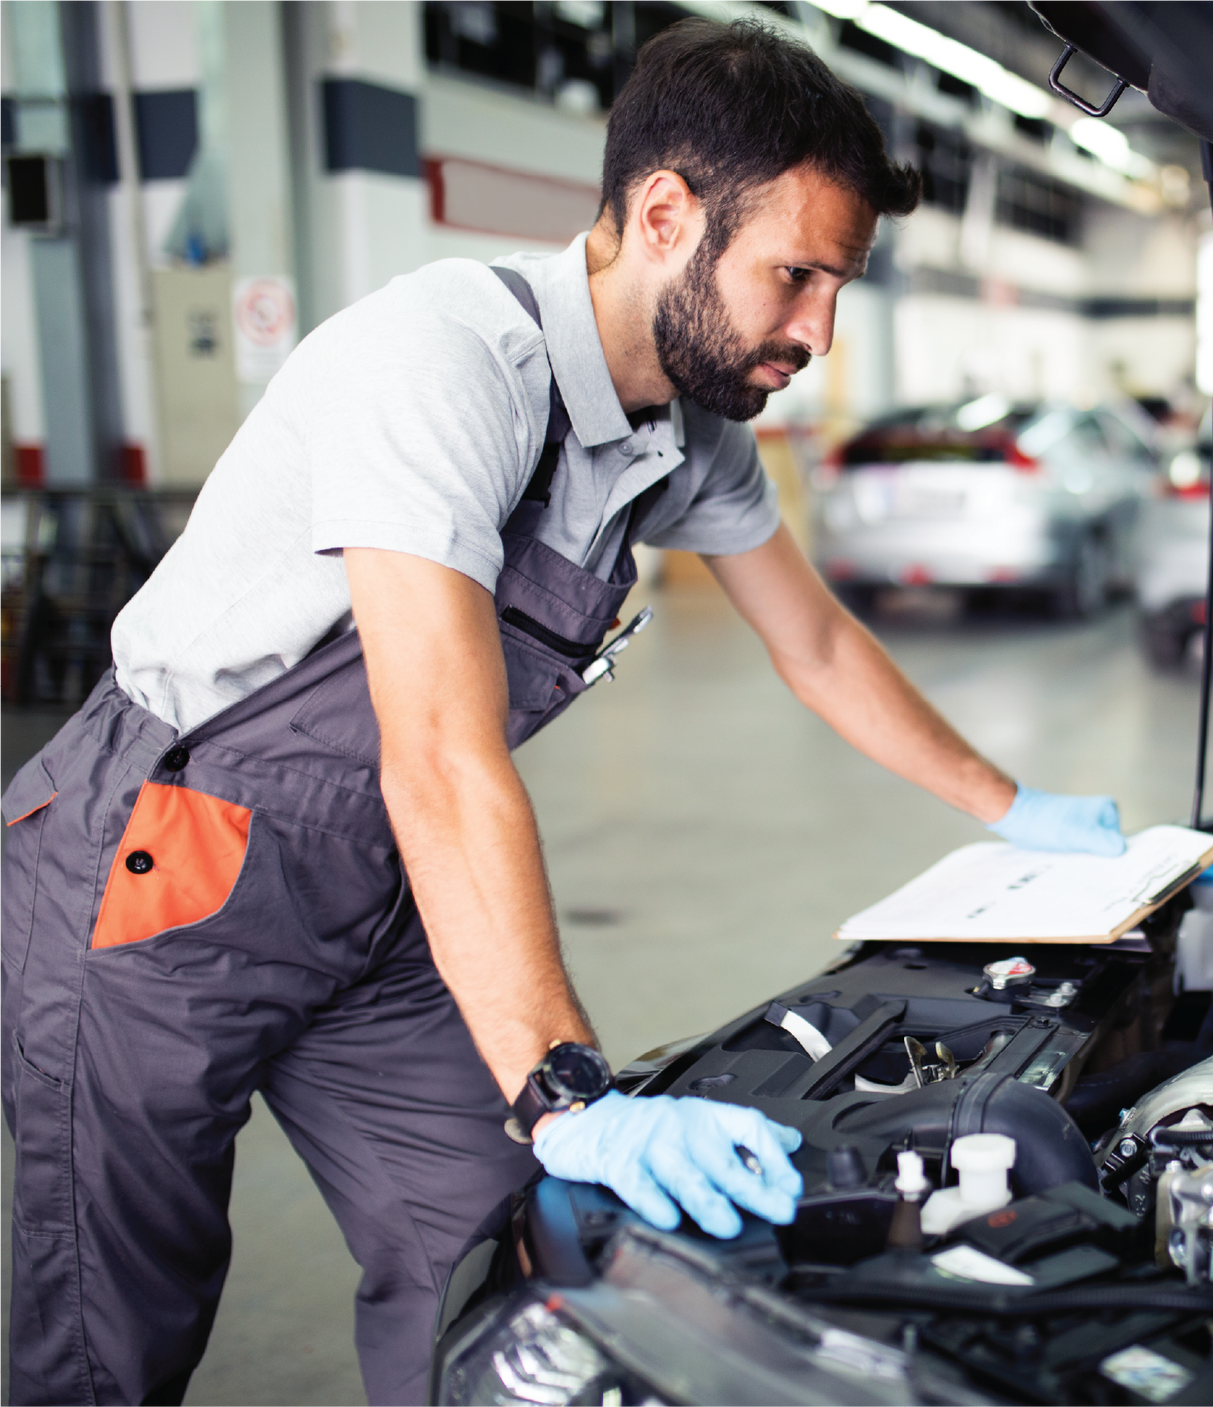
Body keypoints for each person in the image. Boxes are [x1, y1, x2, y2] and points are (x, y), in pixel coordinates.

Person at [0, 19, 1124, 1407]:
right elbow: (438, 753)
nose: (819, 332)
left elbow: (819, 643)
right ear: (666, 214)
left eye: (838, 285)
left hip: (374, 888)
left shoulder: (687, 433)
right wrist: (566, 1087)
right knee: (116, 1322)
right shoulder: (444, 363)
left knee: (490, 1235)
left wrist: (1020, 815)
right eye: (797, 276)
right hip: (157, 868)